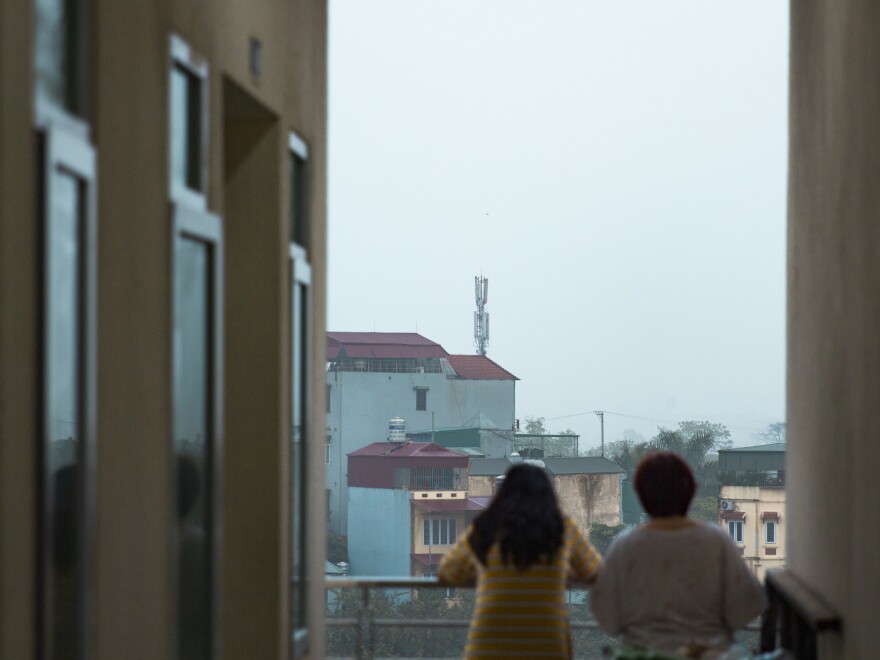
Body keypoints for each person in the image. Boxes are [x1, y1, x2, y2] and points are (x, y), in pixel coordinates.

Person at [591, 451, 767, 657]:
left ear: (641, 494)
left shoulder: (626, 544)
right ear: (690, 491)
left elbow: (606, 617)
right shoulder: (715, 539)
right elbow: (746, 609)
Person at [438, 463, 602, 659]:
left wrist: (484, 571)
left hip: (489, 647)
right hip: (547, 646)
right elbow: (595, 571)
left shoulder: (487, 524)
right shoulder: (560, 525)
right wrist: (561, 572)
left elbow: (448, 571)